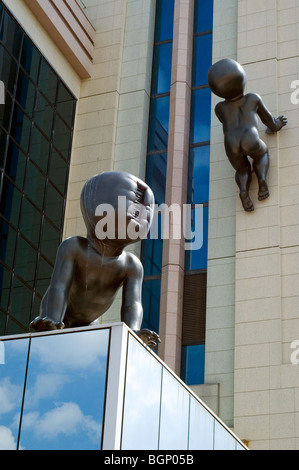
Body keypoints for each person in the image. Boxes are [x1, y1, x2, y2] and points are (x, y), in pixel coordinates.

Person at [29, 171, 160, 348]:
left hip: (90, 322)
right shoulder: (75, 247)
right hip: (59, 314)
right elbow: (59, 286)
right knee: (53, 345)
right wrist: (53, 319)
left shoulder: (131, 264)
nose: (141, 215)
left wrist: (133, 333)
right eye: (135, 205)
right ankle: (50, 325)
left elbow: (133, 304)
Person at [207, 58, 287, 211]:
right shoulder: (253, 98)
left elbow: (224, 121)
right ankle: (262, 179)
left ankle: (244, 191)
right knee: (261, 154)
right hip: (250, 136)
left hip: (230, 142)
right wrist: (276, 125)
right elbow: (268, 120)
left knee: (242, 169)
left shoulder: (220, 108)